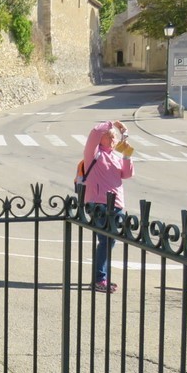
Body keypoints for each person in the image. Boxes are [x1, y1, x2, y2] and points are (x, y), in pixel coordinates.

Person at [80, 120, 134, 292]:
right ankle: (99, 279)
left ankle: (100, 277)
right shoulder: (94, 154)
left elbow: (127, 174)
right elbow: (94, 132)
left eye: (114, 137)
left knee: (109, 241)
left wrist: (126, 153)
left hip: (116, 204)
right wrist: (112, 124)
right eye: (109, 136)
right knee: (106, 240)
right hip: (98, 203)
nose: (113, 139)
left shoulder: (115, 156)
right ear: (101, 139)